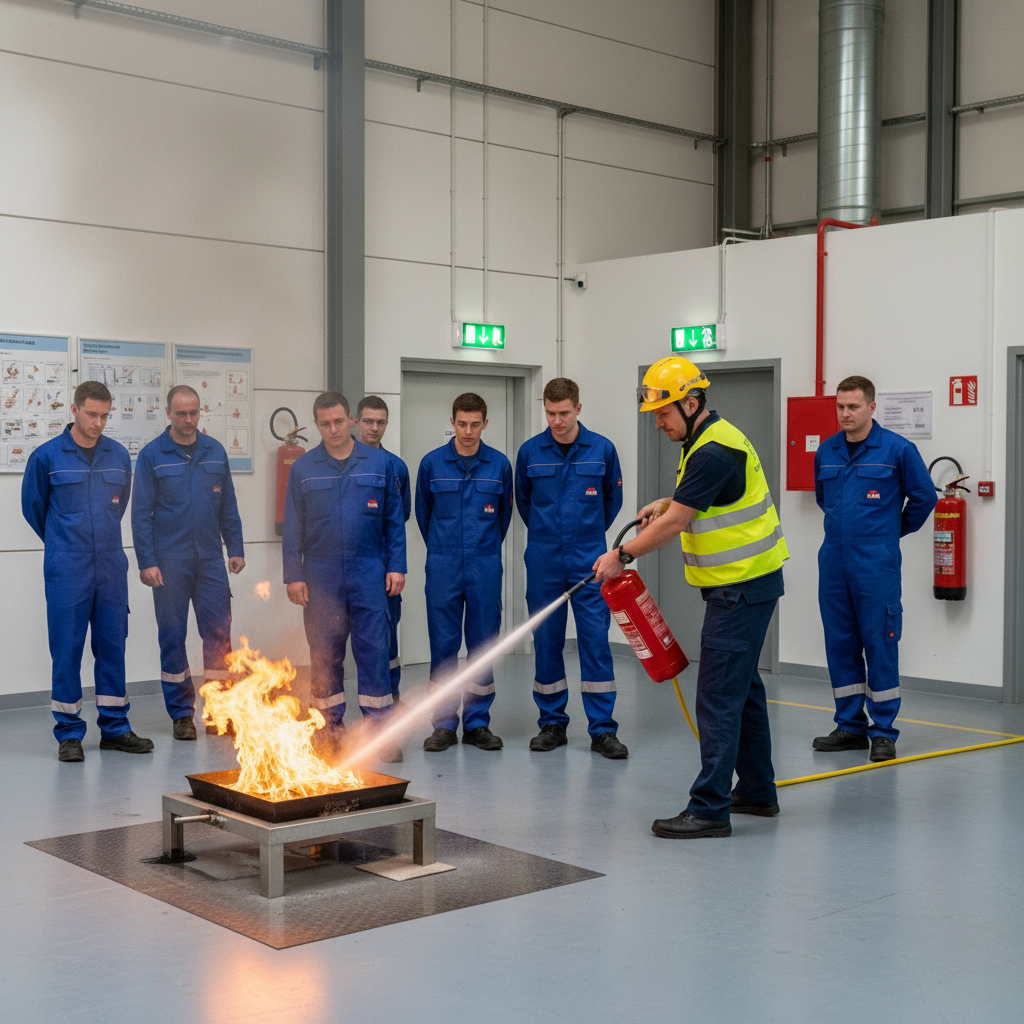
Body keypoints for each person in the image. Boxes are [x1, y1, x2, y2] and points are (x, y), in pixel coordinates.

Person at [593, 356, 788, 838]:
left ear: (692, 402)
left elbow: (680, 522)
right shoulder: (707, 440)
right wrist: (666, 502)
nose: (658, 422)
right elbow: (693, 504)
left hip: (740, 589)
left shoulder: (712, 451)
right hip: (747, 585)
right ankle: (758, 791)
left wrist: (623, 554)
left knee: (719, 695)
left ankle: (709, 809)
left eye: (663, 413)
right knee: (744, 694)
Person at [21, 380, 154, 761]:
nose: (98, 423)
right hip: (67, 566)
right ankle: (69, 734)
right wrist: (65, 542)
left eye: (104, 416)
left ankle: (115, 728)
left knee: (113, 644)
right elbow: (35, 509)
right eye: (92, 414)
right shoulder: (47, 457)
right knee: (67, 649)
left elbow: (120, 503)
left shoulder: (118, 456)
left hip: (110, 564)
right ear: (74, 410)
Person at [812, 375, 936, 762]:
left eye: (853, 406)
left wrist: (890, 531)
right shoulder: (827, 451)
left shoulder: (897, 449)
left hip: (876, 562)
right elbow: (823, 499)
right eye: (840, 406)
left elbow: (924, 497)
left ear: (871, 407)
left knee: (880, 644)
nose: (845, 413)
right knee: (840, 643)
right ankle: (850, 726)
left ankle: (883, 731)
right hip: (833, 559)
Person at [283, 391, 406, 760]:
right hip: (320, 574)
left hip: (369, 569)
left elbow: (393, 521)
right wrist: (293, 574)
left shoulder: (379, 463)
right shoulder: (304, 467)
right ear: (317, 424)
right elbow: (293, 526)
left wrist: (397, 565)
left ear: (351, 419)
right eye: (325, 424)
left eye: (339, 421)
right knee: (324, 654)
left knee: (373, 652)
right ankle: (328, 731)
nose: (333, 430)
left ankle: (379, 732)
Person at [514, 377, 627, 758]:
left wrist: (587, 535)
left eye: (563, 413)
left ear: (579, 408)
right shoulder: (530, 452)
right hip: (544, 558)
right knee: (546, 643)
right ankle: (551, 723)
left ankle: (602, 730)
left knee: (595, 642)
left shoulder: (602, 449)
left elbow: (612, 503)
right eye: (549, 413)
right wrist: (551, 536)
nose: (556, 421)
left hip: (590, 561)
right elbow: (524, 504)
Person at [132, 385, 245, 740]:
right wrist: (147, 561)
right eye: (181, 413)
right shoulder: (152, 456)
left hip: (210, 560)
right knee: (172, 636)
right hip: (169, 562)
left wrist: (236, 548)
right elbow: (140, 514)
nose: (188, 420)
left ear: (200, 412)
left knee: (218, 635)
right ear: (168, 413)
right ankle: (182, 714)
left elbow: (228, 505)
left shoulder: (215, 452)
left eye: (193, 413)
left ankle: (219, 711)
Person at [416, 393, 513, 752]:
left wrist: (479, 550)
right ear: (452, 422)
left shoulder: (500, 465)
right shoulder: (431, 464)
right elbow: (423, 516)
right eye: (462, 423)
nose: (468, 431)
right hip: (442, 564)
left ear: (485, 424)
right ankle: (443, 723)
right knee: (443, 646)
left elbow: (504, 517)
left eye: (475, 424)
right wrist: (446, 549)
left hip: (485, 563)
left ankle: (477, 723)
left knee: (482, 645)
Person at [355, 396, 411, 704]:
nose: (374, 428)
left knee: (386, 637)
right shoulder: (340, 461)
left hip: (382, 567)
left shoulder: (396, 467)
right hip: (345, 566)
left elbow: (399, 521)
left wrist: (396, 566)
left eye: (380, 422)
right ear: (356, 421)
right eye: (368, 421)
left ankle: (392, 693)